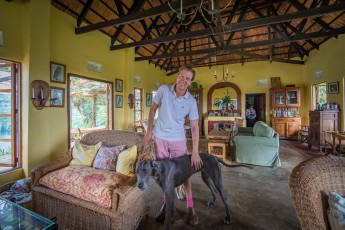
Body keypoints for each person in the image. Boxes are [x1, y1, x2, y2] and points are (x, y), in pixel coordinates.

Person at [142, 66, 203, 226]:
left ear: (190, 82)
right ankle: (167, 204)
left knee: (185, 173)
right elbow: (152, 108)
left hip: (178, 140)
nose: (183, 80)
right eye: (181, 76)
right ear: (177, 76)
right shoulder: (163, 90)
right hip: (160, 138)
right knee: (164, 174)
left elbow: (195, 127)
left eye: (187, 78)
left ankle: (190, 206)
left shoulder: (191, 101)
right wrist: (149, 131)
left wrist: (195, 152)